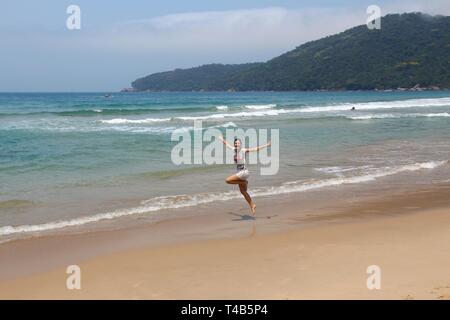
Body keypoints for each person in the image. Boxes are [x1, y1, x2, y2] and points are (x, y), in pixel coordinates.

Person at [219, 136, 271, 215]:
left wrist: (267, 145)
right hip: (241, 174)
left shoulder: (243, 150)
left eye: (238, 143)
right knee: (243, 192)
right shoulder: (234, 150)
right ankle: (252, 205)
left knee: (227, 180)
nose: (237, 144)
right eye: (235, 143)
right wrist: (222, 139)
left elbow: (256, 149)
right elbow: (226, 144)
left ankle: (244, 182)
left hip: (243, 172)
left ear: (241, 144)